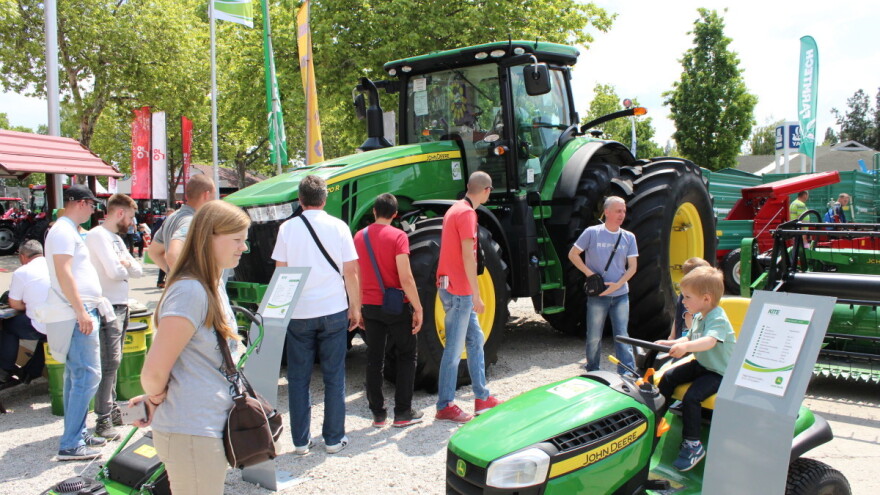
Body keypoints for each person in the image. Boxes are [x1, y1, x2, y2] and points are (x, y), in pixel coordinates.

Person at [131, 200, 248, 495]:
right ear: (209, 236)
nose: (243, 248)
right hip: (191, 428)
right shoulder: (190, 290)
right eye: (236, 240)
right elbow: (153, 371)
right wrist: (155, 399)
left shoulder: (209, 283)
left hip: (203, 424)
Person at [271, 175, 361, 454]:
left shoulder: (287, 228)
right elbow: (351, 271)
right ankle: (333, 439)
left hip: (299, 313)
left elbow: (281, 273)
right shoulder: (339, 227)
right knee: (334, 376)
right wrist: (355, 308)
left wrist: (277, 315)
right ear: (324, 199)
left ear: (300, 200)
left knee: (298, 378)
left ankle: (300, 441)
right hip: (334, 309)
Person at [44, 184, 113, 460]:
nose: (94, 210)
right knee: (87, 375)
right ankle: (71, 443)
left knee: (77, 376)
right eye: (93, 205)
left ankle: (76, 435)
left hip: (77, 309)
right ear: (82, 203)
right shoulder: (63, 231)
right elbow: (64, 273)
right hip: (77, 311)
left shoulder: (65, 230)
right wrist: (80, 311)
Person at [435, 171, 502, 424]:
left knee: (476, 341)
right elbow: (467, 256)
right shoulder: (467, 214)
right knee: (453, 350)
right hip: (460, 291)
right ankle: (445, 405)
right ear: (487, 190)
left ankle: (482, 397)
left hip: (450, 286)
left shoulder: (455, 209)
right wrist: (476, 294)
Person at [655, 266, 736, 471]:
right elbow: (690, 337)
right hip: (703, 364)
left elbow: (709, 341)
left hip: (719, 372)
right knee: (670, 376)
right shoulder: (700, 315)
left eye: (687, 297)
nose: (683, 301)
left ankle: (693, 445)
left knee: (693, 397)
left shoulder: (717, 317)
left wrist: (686, 348)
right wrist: (670, 343)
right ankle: (656, 417)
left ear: (706, 298)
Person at [353, 193, 424, 428]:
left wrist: (358, 307)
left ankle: (378, 414)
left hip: (370, 306)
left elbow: (356, 275)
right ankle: (403, 412)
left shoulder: (359, 237)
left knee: (374, 358)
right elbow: (406, 277)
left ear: (374, 211)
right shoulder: (399, 236)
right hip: (396, 306)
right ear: (395, 214)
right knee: (407, 355)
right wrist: (418, 307)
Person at [85, 193, 143, 440]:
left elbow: (138, 269)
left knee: (114, 361)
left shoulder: (116, 239)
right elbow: (114, 270)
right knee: (110, 362)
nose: (131, 222)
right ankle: (103, 417)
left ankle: (110, 409)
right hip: (107, 306)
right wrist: (125, 266)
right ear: (119, 213)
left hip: (120, 305)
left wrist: (125, 266)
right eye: (130, 217)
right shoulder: (98, 235)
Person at [568, 196, 639, 374]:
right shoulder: (592, 232)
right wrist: (589, 273)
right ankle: (593, 370)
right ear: (606, 212)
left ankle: (627, 372)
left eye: (623, 211)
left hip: (621, 294)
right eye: (618, 210)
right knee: (593, 336)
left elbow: (633, 267)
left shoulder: (629, 237)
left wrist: (618, 285)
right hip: (598, 296)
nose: (622, 214)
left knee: (622, 335)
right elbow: (573, 254)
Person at [147, 175, 215, 289]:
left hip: (176, 288)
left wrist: (172, 273)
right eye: (213, 196)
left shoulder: (171, 217)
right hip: (191, 291)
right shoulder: (191, 221)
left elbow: (153, 252)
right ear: (206, 195)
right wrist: (193, 282)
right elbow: (173, 254)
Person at [0, 240, 50, 385]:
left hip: (44, 323)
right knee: (47, 335)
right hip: (64, 321)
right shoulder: (55, 265)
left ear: (22, 256)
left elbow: (14, 304)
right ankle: (31, 372)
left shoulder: (22, 272)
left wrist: (27, 304)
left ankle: (4, 369)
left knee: (9, 326)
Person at [670, 257, 711, 340]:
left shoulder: (689, 294)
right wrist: (697, 337)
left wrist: (672, 336)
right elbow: (688, 317)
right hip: (687, 338)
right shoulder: (688, 296)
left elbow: (677, 318)